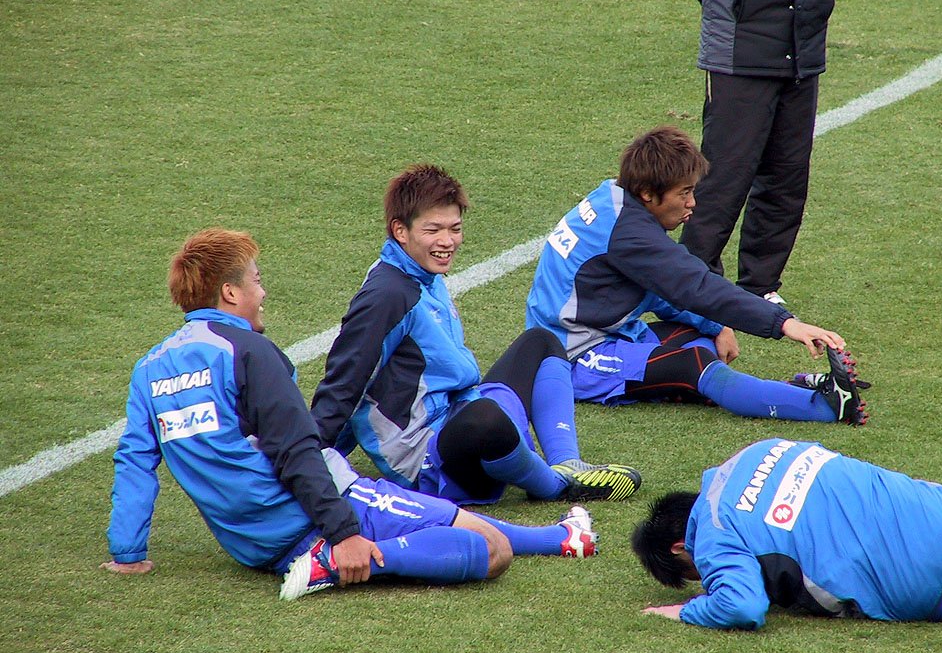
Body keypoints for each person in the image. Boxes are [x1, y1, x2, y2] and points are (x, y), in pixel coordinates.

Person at [103, 228, 601, 603]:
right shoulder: (248, 352)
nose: (264, 292)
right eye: (256, 280)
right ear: (230, 293)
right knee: (491, 549)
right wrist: (343, 534)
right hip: (313, 515)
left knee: (454, 526)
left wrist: (128, 553)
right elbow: (296, 450)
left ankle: (561, 537)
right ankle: (331, 564)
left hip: (250, 544)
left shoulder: (149, 368)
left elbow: (134, 462)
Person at [310, 164, 642, 507]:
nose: (447, 241)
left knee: (541, 342)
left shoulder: (423, 273)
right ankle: (556, 487)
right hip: (428, 458)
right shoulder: (388, 295)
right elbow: (347, 381)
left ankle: (568, 463)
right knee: (485, 419)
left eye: (455, 229)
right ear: (400, 231)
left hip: (457, 414)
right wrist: (310, 456)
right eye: (433, 230)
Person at [525, 126, 867, 425]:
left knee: (701, 337)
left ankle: (778, 389)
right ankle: (826, 406)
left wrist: (717, 326)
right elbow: (696, 287)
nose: (692, 204)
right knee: (695, 362)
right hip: (572, 359)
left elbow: (660, 290)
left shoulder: (615, 199)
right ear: (647, 193)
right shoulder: (630, 233)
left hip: (607, 335)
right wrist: (785, 324)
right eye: (684, 193)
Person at [632, 438, 942, 629]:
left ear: (680, 547)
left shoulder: (714, 533)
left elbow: (741, 606)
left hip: (924, 581)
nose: (708, 580)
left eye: (697, 574)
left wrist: (686, 610)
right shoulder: (758, 449)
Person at [667, 0, 835, 305]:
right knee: (724, 177)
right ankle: (695, 284)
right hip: (739, 48)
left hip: (802, 46)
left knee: (787, 174)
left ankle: (760, 286)